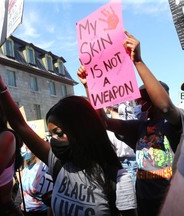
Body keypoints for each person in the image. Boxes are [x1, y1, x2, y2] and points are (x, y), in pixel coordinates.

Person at [0, 54, 137, 215]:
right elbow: (20, 125)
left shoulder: (117, 178)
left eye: (58, 133)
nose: (53, 141)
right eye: (51, 134)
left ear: (80, 131)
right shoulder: (57, 162)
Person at [77, 31, 182, 216]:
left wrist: (137, 61)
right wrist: (89, 86)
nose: (138, 105)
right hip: (144, 207)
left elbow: (165, 107)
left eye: (142, 100)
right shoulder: (138, 127)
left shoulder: (177, 123)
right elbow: (104, 122)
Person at [18, 145, 49, 216]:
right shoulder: (26, 167)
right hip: (25, 211)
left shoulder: (44, 167)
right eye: (22, 145)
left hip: (41, 212)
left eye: (27, 146)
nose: (24, 148)